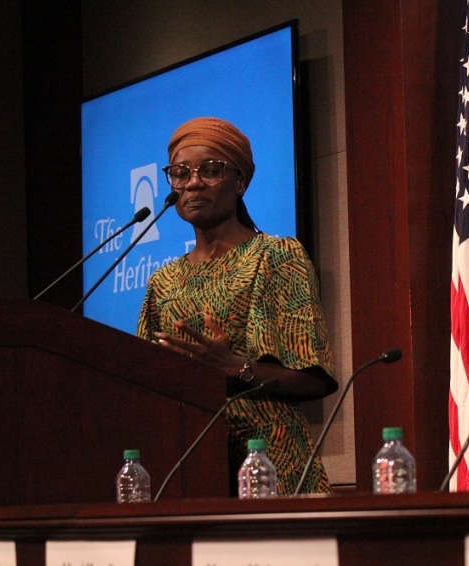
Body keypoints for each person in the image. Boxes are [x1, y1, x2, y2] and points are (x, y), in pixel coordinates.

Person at [137, 117, 338, 495]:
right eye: (180, 173)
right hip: (191, 465)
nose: (193, 183)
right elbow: (143, 385)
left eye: (211, 171)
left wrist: (237, 368)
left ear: (240, 181)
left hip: (272, 464)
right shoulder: (162, 282)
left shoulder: (276, 256)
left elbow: (314, 378)